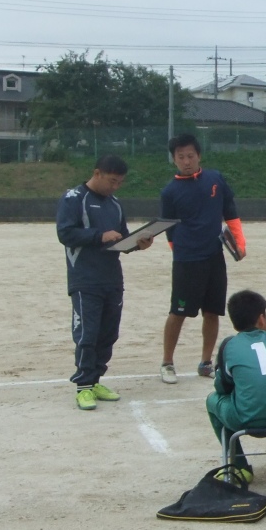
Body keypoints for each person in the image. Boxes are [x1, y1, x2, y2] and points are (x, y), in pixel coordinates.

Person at [56, 155, 153, 410]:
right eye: (112, 181)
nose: (115, 187)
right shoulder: (74, 198)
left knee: (109, 333)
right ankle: (83, 386)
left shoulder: (115, 204)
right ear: (97, 173)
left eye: (120, 182)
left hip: (112, 279)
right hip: (85, 279)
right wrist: (99, 236)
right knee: (87, 334)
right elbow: (65, 233)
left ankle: (96, 380)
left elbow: (121, 239)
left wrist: (138, 244)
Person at [159, 134, 246, 384]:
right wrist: (180, 251)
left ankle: (206, 362)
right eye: (180, 157)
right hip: (186, 261)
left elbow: (230, 211)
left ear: (199, 156)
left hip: (215, 257)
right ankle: (167, 363)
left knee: (212, 312)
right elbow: (169, 228)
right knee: (178, 312)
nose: (186, 161)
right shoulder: (169, 192)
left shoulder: (215, 179)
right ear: (174, 159)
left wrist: (240, 243)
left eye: (190, 156)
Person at [205, 290, 266, 482]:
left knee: (212, 401)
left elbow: (222, 387)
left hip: (246, 420)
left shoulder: (229, 345)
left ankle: (240, 465)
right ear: (261, 319)